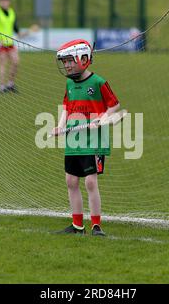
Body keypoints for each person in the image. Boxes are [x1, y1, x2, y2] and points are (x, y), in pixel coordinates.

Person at [52, 39, 121, 237]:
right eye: (64, 62)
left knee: (90, 182)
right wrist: (60, 125)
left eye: (69, 61)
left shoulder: (98, 82)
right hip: (73, 139)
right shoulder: (69, 83)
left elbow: (115, 106)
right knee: (71, 181)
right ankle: (77, 226)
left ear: (83, 59)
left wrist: (101, 118)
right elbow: (67, 106)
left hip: (94, 140)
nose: (66, 65)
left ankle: (96, 225)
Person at [0, 0, 24, 94]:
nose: (4, 3)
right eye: (2, 1)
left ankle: (10, 84)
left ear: (9, 2)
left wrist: (19, 33)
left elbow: (14, 27)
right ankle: (1, 86)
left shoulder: (12, 12)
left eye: (6, 1)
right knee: (3, 63)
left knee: (16, 62)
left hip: (10, 43)